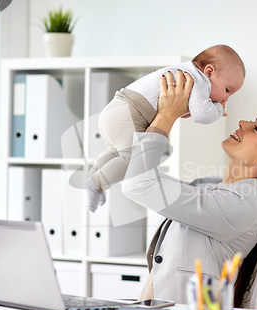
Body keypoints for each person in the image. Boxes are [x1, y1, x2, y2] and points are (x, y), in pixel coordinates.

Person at [121, 71, 257, 307]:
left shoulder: (242, 206)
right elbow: (145, 178)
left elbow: (139, 184)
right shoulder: (212, 188)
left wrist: (167, 115)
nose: (243, 123)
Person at [87, 45, 245, 212]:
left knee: (115, 151)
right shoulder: (198, 80)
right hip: (130, 114)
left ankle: (94, 176)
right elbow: (203, 115)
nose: (226, 97)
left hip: (115, 109)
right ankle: (97, 183)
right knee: (132, 158)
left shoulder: (183, 69)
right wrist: (219, 109)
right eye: (227, 90)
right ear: (209, 72)